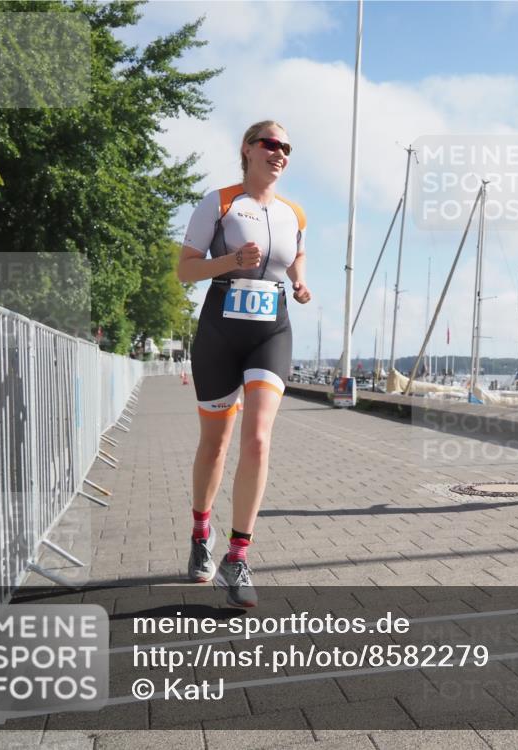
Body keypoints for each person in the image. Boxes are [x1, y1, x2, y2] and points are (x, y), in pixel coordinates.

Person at [176, 120, 311, 606]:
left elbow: (296, 256)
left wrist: (299, 282)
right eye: (271, 144)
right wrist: (230, 262)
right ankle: (199, 532)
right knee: (215, 445)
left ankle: (237, 557)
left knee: (257, 437)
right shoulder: (220, 202)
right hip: (219, 330)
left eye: (286, 148)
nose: (279, 153)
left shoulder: (295, 212)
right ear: (247, 149)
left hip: (271, 329)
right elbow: (185, 270)